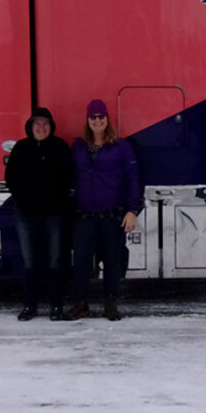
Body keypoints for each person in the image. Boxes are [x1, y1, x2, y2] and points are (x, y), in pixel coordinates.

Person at [64, 99, 143, 321]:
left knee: (112, 261)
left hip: (112, 215)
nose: (97, 121)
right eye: (93, 117)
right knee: (80, 262)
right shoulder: (78, 147)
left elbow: (133, 181)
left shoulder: (121, 147)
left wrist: (132, 211)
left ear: (107, 120)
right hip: (85, 216)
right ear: (87, 120)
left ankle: (110, 302)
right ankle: (81, 303)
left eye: (101, 117)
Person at [4, 107, 74, 321]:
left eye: (45, 124)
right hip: (26, 214)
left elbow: (69, 177)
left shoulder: (60, 147)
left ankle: (56, 306)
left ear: (51, 126)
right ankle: (29, 306)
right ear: (30, 127)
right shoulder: (21, 148)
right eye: (37, 124)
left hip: (54, 214)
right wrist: (23, 200)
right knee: (29, 262)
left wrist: (58, 202)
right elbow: (11, 179)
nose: (41, 128)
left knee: (55, 261)